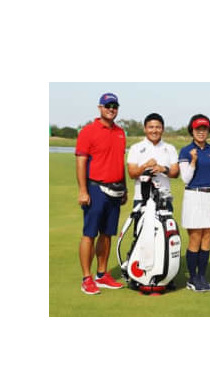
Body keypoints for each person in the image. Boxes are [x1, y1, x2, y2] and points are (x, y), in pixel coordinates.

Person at [75, 93, 128, 295]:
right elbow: (81, 161)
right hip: (95, 189)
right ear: (100, 107)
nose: (111, 109)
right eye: (108, 105)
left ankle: (102, 274)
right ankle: (86, 278)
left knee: (107, 234)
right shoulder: (88, 131)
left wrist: (124, 187)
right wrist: (83, 190)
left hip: (115, 189)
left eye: (114, 106)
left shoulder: (120, 132)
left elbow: (118, 162)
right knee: (90, 233)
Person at [126, 113, 180, 290]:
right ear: (145, 128)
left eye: (158, 127)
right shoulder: (136, 148)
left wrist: (162, 168)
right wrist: (145, 166)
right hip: (141, 199)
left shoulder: (169, 148)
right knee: (141, 236)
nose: (154, 130)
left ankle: (164, 274)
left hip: (164, 199)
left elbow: (175, 172)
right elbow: (132, 173)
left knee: (164, 235)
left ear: (162, 129)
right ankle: (139, 275)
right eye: (151, 127)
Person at [178, 114, 210, 292]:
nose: (201, 132)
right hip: (193, 196)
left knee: (208, 237)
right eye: (198, 129)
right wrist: (194, 161)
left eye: (204, 129)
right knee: (195, 237)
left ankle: (202, 277)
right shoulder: (186, 151)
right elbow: (186, 179)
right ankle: (193, 278)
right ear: (192, 130)